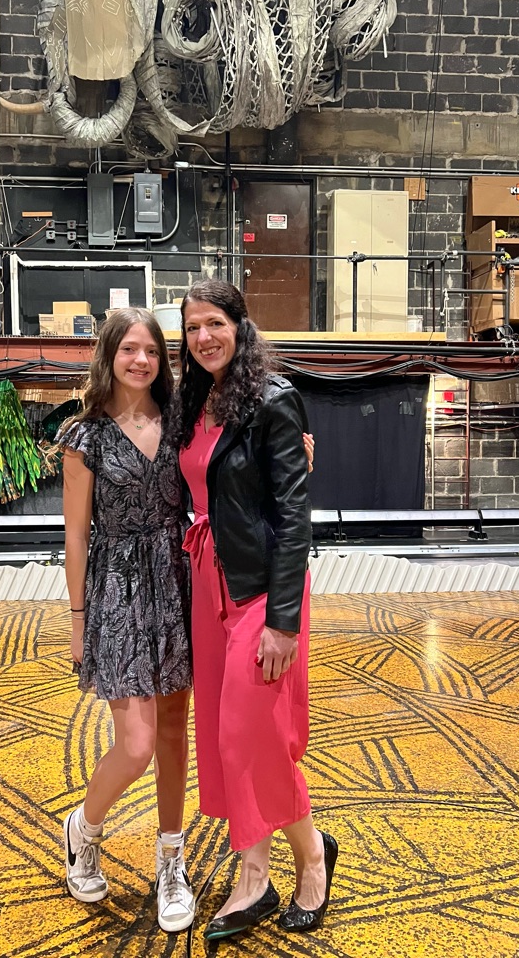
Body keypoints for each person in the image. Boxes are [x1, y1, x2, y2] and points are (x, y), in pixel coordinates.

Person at [172, 279, 337, 940]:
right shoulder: (192, 400)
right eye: (192, 327)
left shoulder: (273, 399)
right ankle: (256, 875)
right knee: (224, 738)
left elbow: (294, 520)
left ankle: (309, 858)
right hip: (207, 579)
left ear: (240, 326)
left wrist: (282, 621)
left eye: (215, 323)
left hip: (260, 589)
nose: (204, 337)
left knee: (254, 734)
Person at [58, 307, 195, 933]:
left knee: (173, 736)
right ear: (109, 355)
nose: (142, 360)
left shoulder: (180, 421)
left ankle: (172, 861)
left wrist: (294, 455)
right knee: (135, 745)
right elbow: (75, 537)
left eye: (153, 351)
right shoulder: (84, 436)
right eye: (130, 349)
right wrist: (77, 617)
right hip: (116, 589)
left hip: (176, 580)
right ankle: (84, 829)